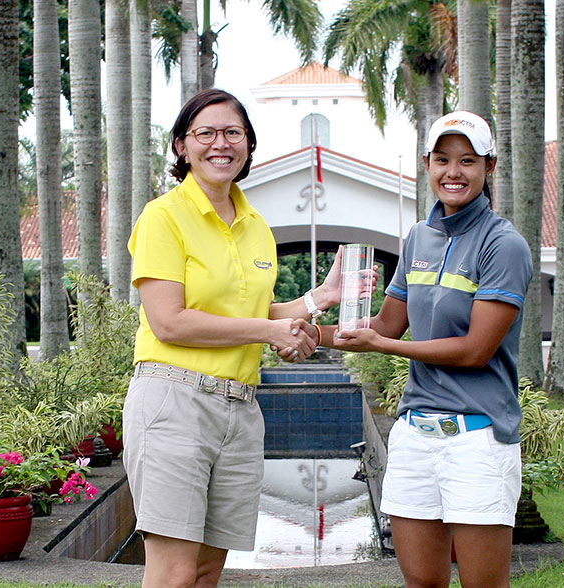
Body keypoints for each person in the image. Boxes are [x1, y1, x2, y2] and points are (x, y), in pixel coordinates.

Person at [122, 88, 348, 588]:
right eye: (205, 133)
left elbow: (254, 313)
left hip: (241, 410)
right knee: (175, 572)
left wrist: (317, 301)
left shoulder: (256, 227)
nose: (219, 144)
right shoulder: (163, 216)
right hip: (173, 402)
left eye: (233, 133)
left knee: (207, 570)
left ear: (248, 144)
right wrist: (270, 331)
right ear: (182, 146)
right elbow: (171, 322)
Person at [328, 111, 533, 587]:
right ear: (427, 164)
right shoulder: (419, 237)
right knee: (422, 583)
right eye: (443, 159)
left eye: (467, 160)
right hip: (415, 437)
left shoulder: (504, 245)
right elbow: (382, 326)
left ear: (489, 167)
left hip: (478, 439)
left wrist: (384, 345)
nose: (453, 172)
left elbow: (475, 351)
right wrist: (314, 325)